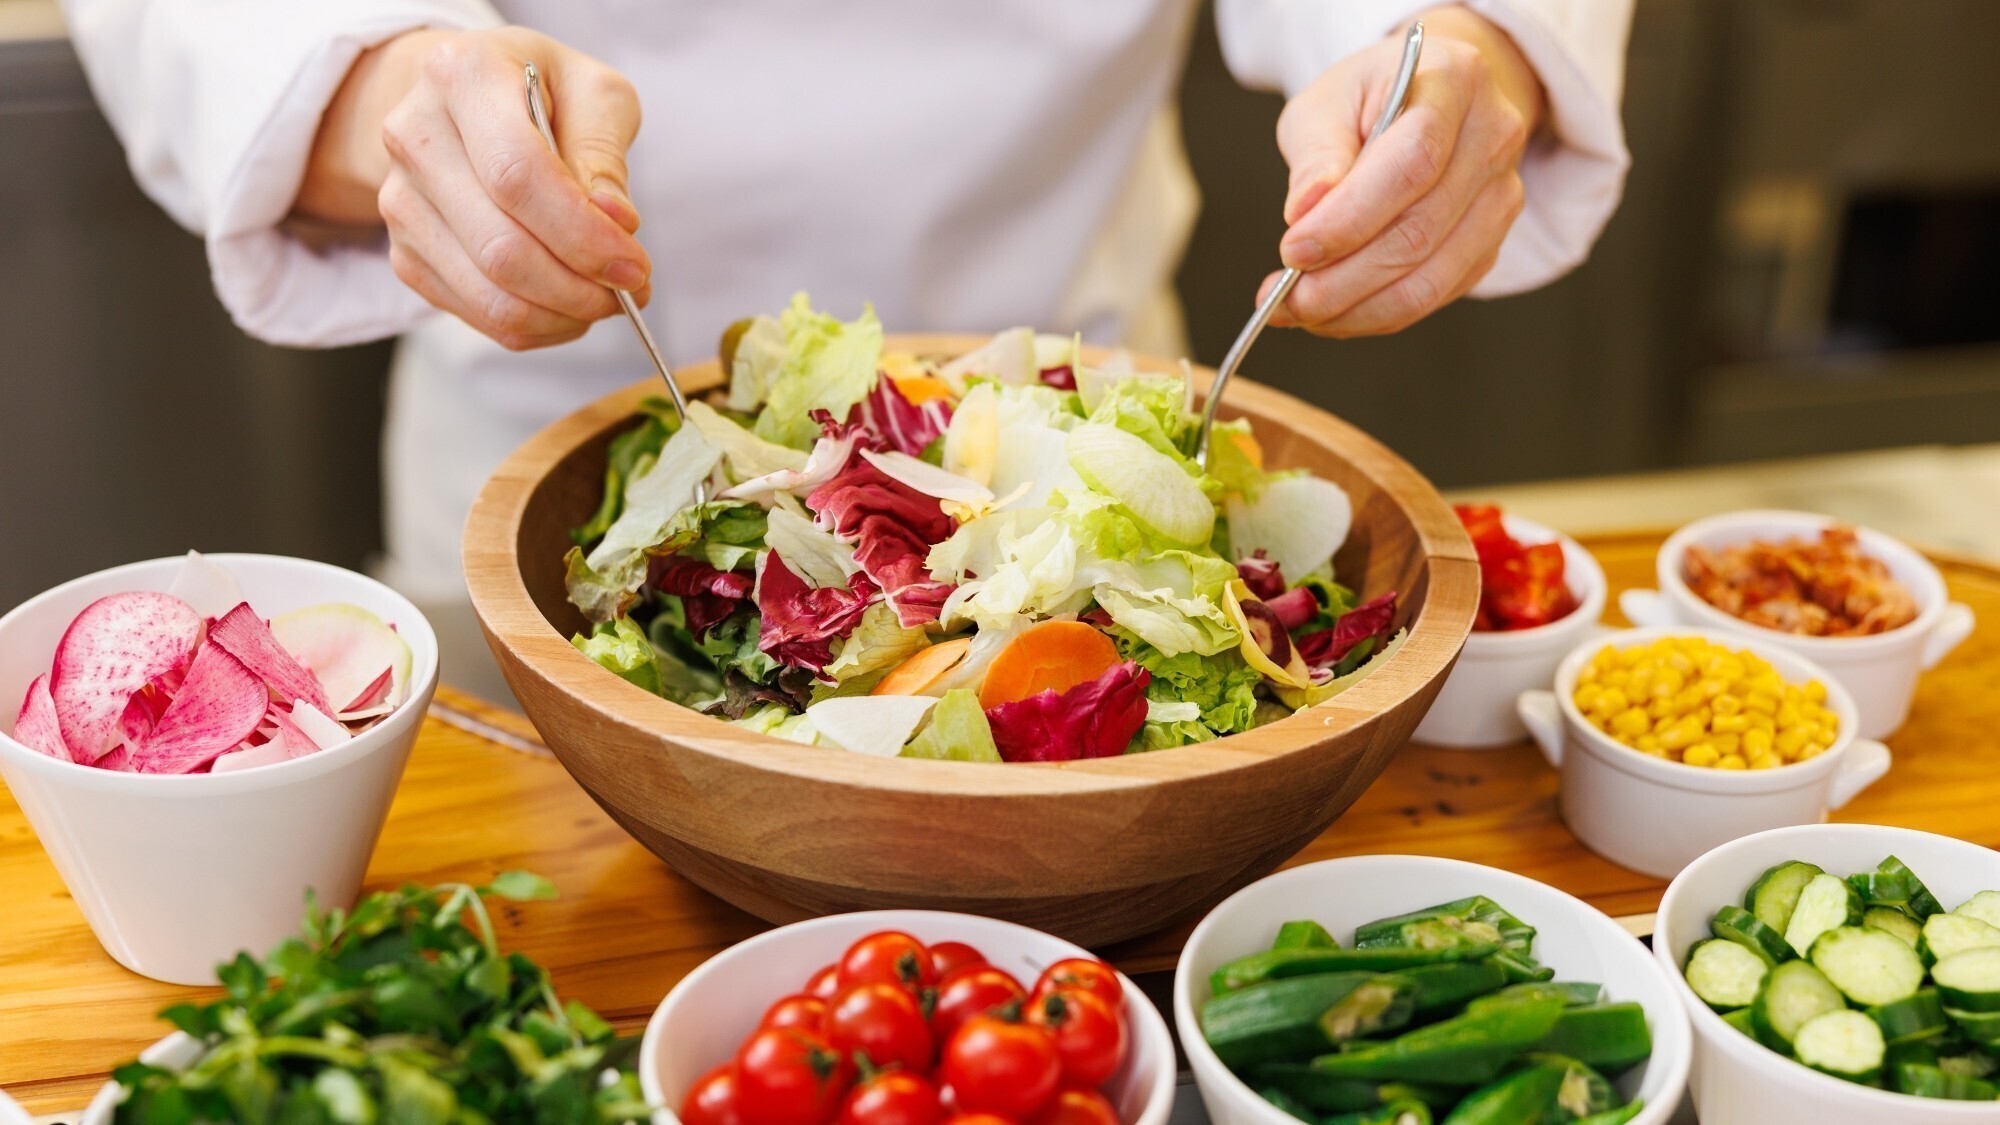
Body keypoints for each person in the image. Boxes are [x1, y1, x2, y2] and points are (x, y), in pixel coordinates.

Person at [60, 1, 1632, 654]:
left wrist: (1455, 54)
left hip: (1093, 473)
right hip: (554, 455)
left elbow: (1450, 36)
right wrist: (384, 93)